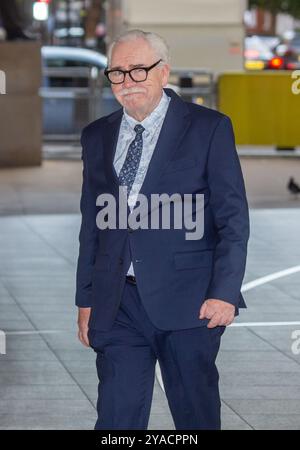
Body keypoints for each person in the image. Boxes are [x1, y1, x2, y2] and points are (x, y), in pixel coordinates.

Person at [75, 29, 250, 430]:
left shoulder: (209, 128)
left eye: (139, 70)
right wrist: (86, 297)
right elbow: (93, 226)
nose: (127, 82)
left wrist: (223, 293)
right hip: (118, 303)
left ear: (164, 71)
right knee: (116, 417)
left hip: (190, 303)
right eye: (117, 73)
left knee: (195, 417)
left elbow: (233, 218)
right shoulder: (96, 136)